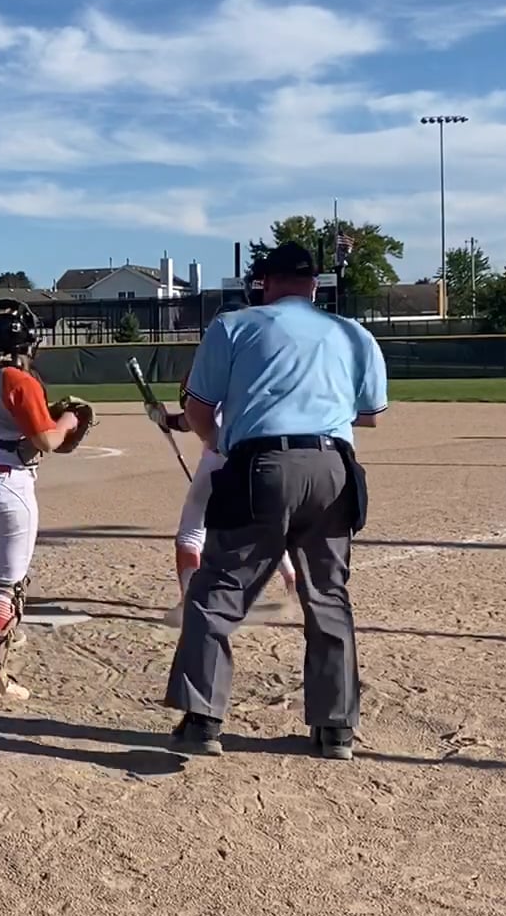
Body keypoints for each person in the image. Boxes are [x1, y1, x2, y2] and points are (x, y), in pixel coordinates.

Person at [162, 242, 387, 761]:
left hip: (261, 465)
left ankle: (203, 720)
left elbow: (199, 410)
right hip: (333, 467)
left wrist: (222, 444)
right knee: (327, 596)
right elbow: (372, 414)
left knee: (217, 591)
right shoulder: (353, 333)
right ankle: (336, 730)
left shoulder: (234, 326)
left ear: (265, 282)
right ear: (314, 285)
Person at [0, 298, 93, 702]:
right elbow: (47, 440)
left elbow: (2, 421)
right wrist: (69, 420)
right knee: (8, 585)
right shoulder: (20, 379)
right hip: (8, 485)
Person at [153, 366, 297, 607]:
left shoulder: (209, 374)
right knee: (266, 526)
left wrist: (163, 419)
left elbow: (192, 418)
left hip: (220, 458)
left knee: (190, 533)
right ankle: (293, 580)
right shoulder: (258, 381)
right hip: (267, 459)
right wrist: (165, 418)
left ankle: (190, 601)